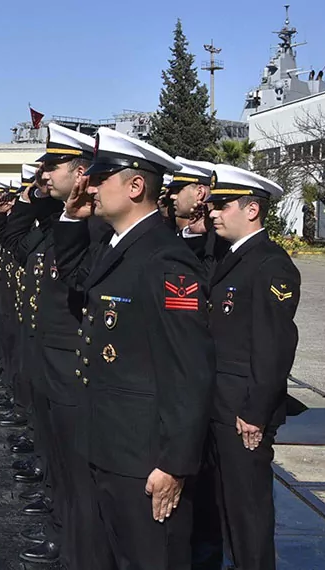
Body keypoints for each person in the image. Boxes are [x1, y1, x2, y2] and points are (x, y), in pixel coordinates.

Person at [54, 127, 215, 569]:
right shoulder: (116, 246)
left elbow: (190, 370)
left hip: (144, 459)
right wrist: (72, 219)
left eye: (101, 176)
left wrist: (175, 463)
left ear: (136, 185)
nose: (90, 184)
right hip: (108, 444)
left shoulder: (165, 260)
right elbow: (75, 278)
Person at [191, 164, 300, 570]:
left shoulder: (271, 265)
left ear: (251, 209)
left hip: (243, 413)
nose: (213, 212)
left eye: (222, 205)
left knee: (247, 515)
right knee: (220, 509)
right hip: (218, 405)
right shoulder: (229, 258)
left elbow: (275, 347)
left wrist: (255, 411)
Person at [19, 122, 112, 568]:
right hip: (54, 353)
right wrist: (32, 198)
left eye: (53, 166)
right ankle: (64, 535)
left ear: (80, 173)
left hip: (78, 359)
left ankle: (75, 548)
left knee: (80, 473)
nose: (43, 175)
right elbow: (13, 235)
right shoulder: (65, 222)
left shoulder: (94, 229)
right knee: (63, 462)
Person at [165, 157, 228, 275]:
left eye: (178, 190)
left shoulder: (223, 237)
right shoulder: (192, 234)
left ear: (200, 193)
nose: (172, 196)